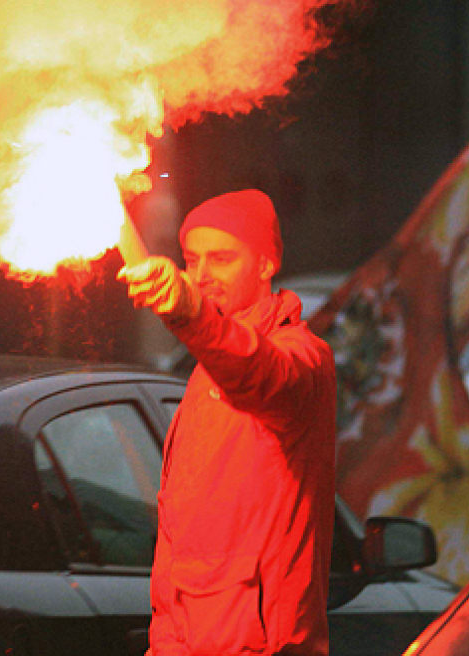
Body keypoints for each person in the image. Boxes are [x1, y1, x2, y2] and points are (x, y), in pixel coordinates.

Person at [117, 189, 338, 655]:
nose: (201, 276)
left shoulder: (304, 357)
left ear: (265, 264)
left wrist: (191, 314)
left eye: (221, 259)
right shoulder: (205, 370)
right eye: (192, 259)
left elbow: (260, 372)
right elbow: (181, 533)